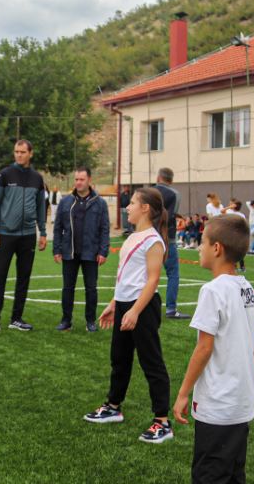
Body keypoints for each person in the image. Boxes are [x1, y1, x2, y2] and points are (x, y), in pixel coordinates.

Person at [173, 214, 254, 484]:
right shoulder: (247, 289)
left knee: (209, 477)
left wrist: (183, 393)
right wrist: (247, 384)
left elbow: (204, 348)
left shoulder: (212, 290)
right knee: (233, 474)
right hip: (241, 402)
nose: (197, 248)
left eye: (201, 243)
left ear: (216, 247)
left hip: (217, 404)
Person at [83, 188, 173, 445]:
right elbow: (126, 276)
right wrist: (115, 303)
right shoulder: (133, 236)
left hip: (142, 307)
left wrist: (135, 310)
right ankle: (113, 406)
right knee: (119, 358)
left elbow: (153, 280)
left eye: (132, 203)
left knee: (151, 362)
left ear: (145, 208)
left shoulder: (153, 240)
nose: (128, 207)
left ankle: (162, 422)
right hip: (125, 304)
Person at [0, 140, 47, 333]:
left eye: (22, 152)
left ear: (31, 153)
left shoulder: (37, 178)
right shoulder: (5, 175)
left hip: (28, 235)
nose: (18, 155)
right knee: (0, 277)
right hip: (5, 234)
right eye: (16, 152)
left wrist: (42, 232)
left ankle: (16, 318)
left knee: (24, 278)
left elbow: (40, 208)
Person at [53, 167, 110, 332]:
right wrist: (57, 249)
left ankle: (90, 321)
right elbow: (57, 228)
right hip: (69, 252)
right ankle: (66, 320)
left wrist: (103, 251)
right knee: (67, 288)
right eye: (76, 179)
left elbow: (104, 229)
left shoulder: (100, 203)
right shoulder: (66, 202)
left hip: (91, 253)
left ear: (89, 180)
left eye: (81, 179)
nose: (78, 182)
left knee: (91, 288)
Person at [155, 167, 190, 319]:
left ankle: (141, 305)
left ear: (158, 178)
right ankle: (170, 309)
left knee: (146, 273)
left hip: (148, 236)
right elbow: (170, 216)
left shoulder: (149, 192)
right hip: (167, 238)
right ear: (171, 180)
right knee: (173, 274)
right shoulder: (175, 194)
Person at [224, 199, 248, 273]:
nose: (230, 205)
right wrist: (229, 207)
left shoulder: (240, 215)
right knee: (230, 250)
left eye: (232, 204)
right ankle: (234, 266)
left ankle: (242, 266)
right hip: (230, 233)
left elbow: (244, 225)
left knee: (237, 250)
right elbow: (222, 211)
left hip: (236, 234)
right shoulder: (229, 212)